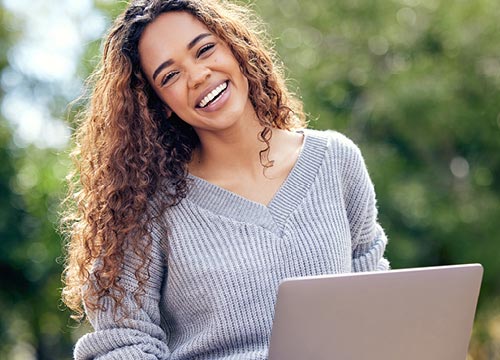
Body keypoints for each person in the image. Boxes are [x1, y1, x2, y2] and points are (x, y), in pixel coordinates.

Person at [61, 0, 390, 359]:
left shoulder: (336, 161)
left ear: (234, 48)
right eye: (170, 76)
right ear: (159, 103)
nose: (199, 75)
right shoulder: (145, 208)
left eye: (204, 49)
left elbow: (374, 302)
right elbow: (120, 344)